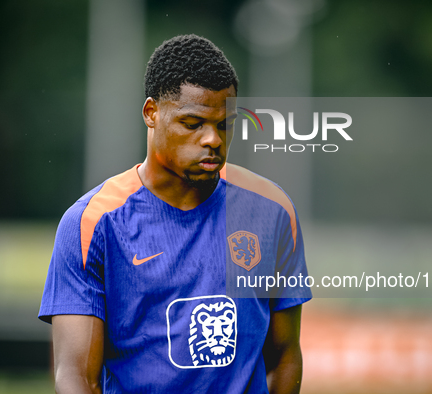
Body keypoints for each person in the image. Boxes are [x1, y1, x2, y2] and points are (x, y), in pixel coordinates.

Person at [39, 34, 311, 394]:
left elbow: (283, 356)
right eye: (193, 123)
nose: (212, 139)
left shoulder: (272, 211)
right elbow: (76, 376)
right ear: (152, 113)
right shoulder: (91, 223)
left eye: (224, 124)